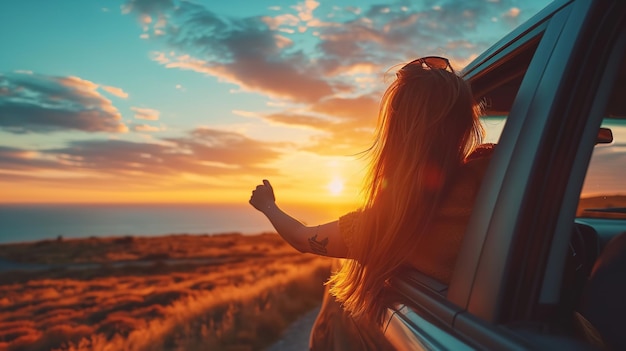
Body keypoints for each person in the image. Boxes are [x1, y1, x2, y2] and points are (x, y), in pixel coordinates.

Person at [249, 56, 493, 349]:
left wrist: (268, 205)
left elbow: (301, 237)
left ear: (397, 134)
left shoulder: (385, 224)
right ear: (466, 126)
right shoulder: (498, 176)